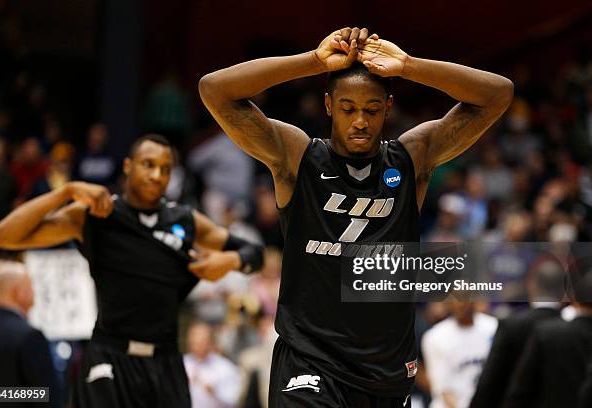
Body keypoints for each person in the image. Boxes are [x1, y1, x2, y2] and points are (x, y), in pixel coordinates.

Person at [199, 27, 513, 407]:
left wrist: (410, 66)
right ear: (329, 106)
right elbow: (214, 89)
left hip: (384, 370)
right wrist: (312, 61)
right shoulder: (298, 158)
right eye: (348, 109)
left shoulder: (412, 158)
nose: (360, 121)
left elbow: (498, 93)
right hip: (310, 359)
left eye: (371, 110)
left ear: (388, 108)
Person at [0, 134, 264, 408]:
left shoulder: (184, 220)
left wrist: (229, 261)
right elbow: (4, 236)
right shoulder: (99, 214)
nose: (157, 175)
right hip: (109, 356)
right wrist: (66, 192)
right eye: (148, 164)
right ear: (127, 166)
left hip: (165, 360)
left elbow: (255, 253)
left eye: (165, 169)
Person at [469, 256, 564, 408]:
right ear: (562, 290)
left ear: (531, 285)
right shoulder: (573, 328)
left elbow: (490, 382)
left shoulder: (510, 326)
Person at [0, 260, 59, 407]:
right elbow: (46, 395)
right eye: (30, 287)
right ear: (18, 292)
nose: (34, 293)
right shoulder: (29, 336)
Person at [421, 301, 497, 408]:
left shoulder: (494, 327)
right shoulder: (435, 337)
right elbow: (442, 390)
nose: (461, 303)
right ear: (448, 303)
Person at [183, 321, 242, 408]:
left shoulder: (225, 367)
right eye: (194, 342)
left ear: (210, 342)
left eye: (201, 342)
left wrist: (214, 391)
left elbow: (235, 400)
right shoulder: (182, 364)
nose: (198, 346)